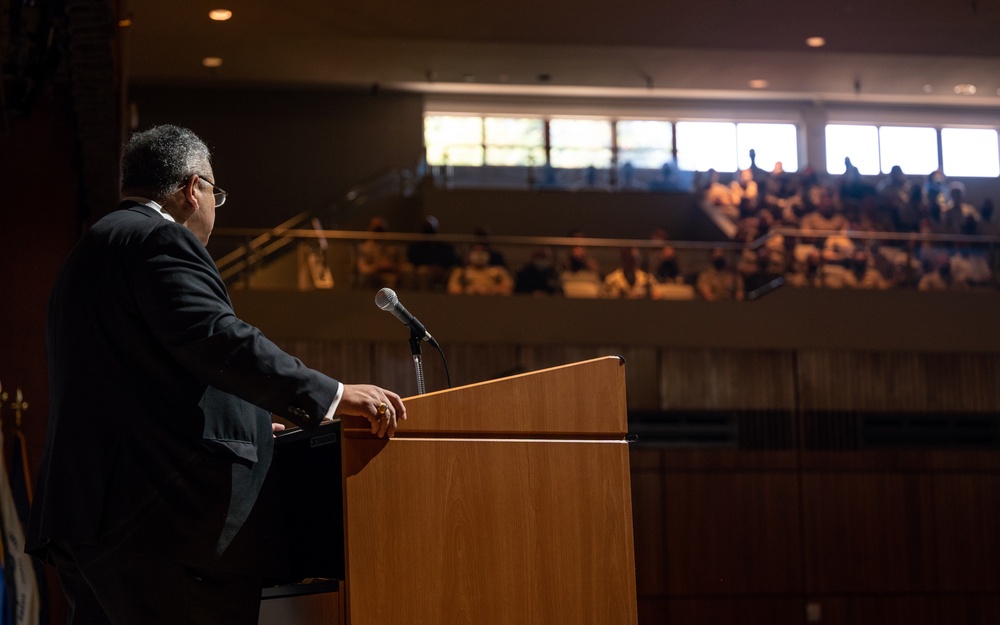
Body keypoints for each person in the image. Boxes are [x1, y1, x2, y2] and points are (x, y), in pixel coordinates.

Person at [27, 125, 407, 625]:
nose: (213, 207)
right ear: (193, 188)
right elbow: (217, 339)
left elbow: (145, 376)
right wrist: (331, 395)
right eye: (215, 193)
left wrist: (245, 419)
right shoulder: (160, 238)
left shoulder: (89, 252)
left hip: (91, 518)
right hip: (165, 525)